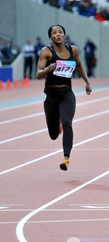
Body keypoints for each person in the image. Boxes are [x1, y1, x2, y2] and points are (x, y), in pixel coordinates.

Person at [36, 24, 92, 171]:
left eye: (60, 32)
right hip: (51, 96)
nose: (58, 35)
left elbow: (79, 66)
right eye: (54, 33)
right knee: (54, 135)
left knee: (67, 122)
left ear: (64, 35)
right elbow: (38, 74)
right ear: (50, 37)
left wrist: (87, 82)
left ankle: (66, 158)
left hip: (67, 93)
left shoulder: (73, 50)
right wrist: (48, 69)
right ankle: (57, 126)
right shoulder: (46, 52)